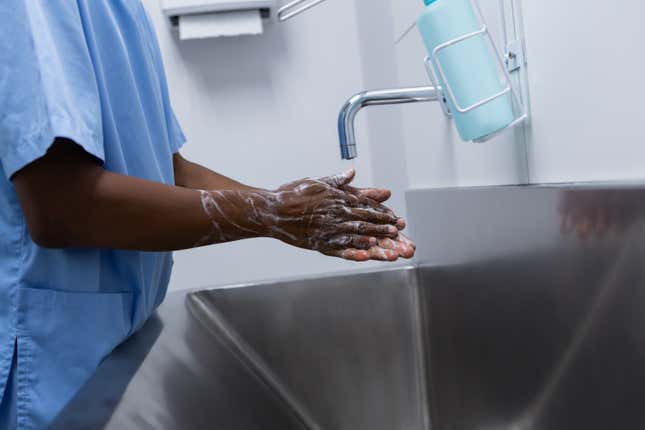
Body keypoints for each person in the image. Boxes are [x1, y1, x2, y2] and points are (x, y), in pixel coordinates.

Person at [0, 1, 415, 428]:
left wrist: (291, 209)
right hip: (45, 363)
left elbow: (169, 169)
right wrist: (274, 213)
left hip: (110, 347)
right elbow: (64, 206)